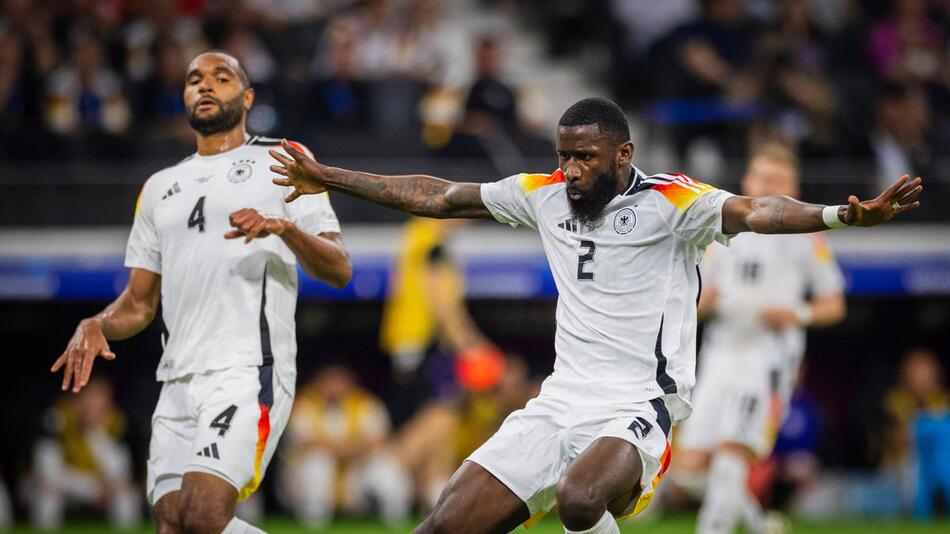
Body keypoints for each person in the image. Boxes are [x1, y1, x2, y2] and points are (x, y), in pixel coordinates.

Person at [270, 96, 922, 534]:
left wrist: (838, 214)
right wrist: (331, 177)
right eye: (564, 155)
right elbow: (436, 196)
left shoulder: (674, 201)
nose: (571, 170)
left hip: (642, 405)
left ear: (623, 155)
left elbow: (758, 211)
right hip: (560, 402)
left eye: (585, 157)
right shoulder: (544, 195)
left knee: (582, 500)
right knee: (445, 522)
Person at [51, 50, 352, 534]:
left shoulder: (283, 158)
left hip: (247, 367)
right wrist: (97, 323)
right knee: (172, 524)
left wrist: (284, 230)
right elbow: (138, 304)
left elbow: (338, 268)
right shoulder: (158, 187)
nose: (204, 85)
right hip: (177, 379)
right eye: (194, 79)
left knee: (204, 518)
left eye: (221, 76)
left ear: (247, 96)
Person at [673, 143, 846, 534]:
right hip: (720, 353)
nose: (768, 186)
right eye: (762, 178)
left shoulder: (809, 238)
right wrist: (704, 302)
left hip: (767, 358)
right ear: (747, 181)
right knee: (689, 470)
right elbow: (691, 303)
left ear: (793, 185)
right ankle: (760, 524)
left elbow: (834, 304)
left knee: (731, 455)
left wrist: (796, 313)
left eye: (777, 180)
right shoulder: (721, 234)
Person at [279, 364, 411, 527]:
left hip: (353, 477)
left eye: (339, 380)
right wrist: (353, 447)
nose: (334, 386)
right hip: (305, 484)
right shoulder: (305, 404)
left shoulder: (365, 404)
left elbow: (380, 441)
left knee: (385, 465)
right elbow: (305, 444)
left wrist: (334, 448)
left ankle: (397, 519)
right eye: (329, 380)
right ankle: (313, 521)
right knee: (318, 463)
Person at [28, 378, 140, 530]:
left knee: (126, 496)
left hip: (99, 487)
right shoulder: (58, 418)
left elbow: (120, 474)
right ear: (78, 398)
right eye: (91, 397)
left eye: (102, 398)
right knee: (47, 497)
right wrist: (91, 490)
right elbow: (48, 475)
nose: (96, 405)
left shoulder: (115, 421)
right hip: (63, 485)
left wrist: (96, 433)